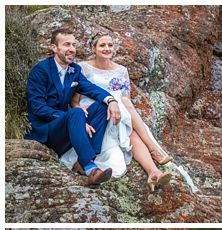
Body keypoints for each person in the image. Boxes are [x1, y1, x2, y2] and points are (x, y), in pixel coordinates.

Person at [72, 30, 174, 192]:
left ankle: (153, 172)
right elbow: (74, 101)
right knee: (121, 106)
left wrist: (116, 103)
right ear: (93, 48)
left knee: (127, 120)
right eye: (102, 45)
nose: (107, 48)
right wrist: (81, 118)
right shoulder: (83, 68)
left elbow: (126, 100)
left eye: (110, 45)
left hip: (118, 115)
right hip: (94, 115)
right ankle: (153, 150)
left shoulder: (121, 70)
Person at [24, 27, 120, 188]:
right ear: (54, 48)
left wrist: (111, 100)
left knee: (101, 107)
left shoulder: (74, 70)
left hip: (65, 126)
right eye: (66, 44)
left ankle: (86, 160)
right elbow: (38, 108)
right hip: (46, 131)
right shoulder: (40, 71)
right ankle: (89, 168)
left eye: (74, 45)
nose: (72, 49)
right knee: (76, 112)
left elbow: (90, 88)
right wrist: (71, 118)